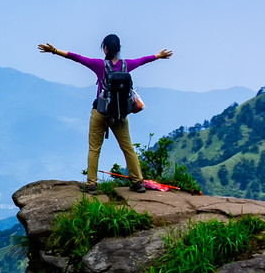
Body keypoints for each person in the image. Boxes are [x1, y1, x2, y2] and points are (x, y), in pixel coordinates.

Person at [37, 35, 174, 191]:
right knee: (128, 148)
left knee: (94, 149)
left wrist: (54, 50)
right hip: (120, 115)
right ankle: (138, 182)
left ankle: (91, 184)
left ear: (105, 49)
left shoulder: (99, 65)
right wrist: (158, 56)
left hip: (100, 113)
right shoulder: (126, 65)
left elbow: (77, 58)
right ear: (118, 49)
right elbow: (143, 60)